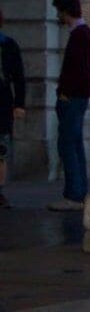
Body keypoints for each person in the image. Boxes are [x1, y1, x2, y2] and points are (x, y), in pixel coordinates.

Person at [51, 0, 90, 209]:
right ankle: (79, 192)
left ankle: (74, 194)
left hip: (73, 97)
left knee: (67, 144)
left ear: (65, 11)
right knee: (75, 143)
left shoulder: (80, 35)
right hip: (78, 96)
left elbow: (77, 71)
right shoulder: (84, 33)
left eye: (58, 11)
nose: (57, 16)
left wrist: (64, 92)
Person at [0, 18, 21, 206]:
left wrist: (19, 104)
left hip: (2, 103)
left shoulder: (8, 45)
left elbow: (18, 77)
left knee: (2, 148)